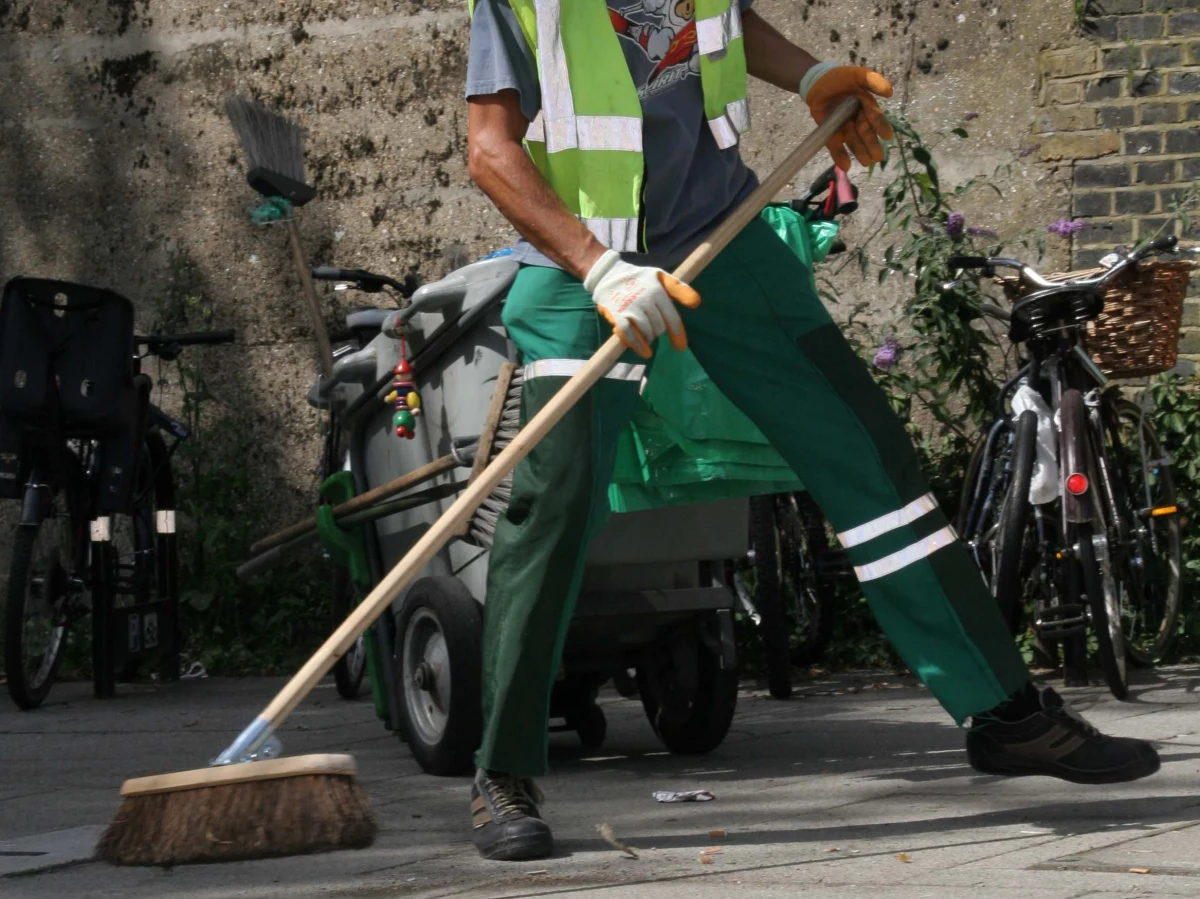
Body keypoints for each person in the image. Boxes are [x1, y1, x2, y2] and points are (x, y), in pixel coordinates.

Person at [462, 0, 1160, 863]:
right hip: (582, 260)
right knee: (554, 502)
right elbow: (490, 151)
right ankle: (503, 773)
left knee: (870, 459)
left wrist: (809, 73)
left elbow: (725, 23)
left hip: (720, 234)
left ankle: (1006, 711)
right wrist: (601, 267)